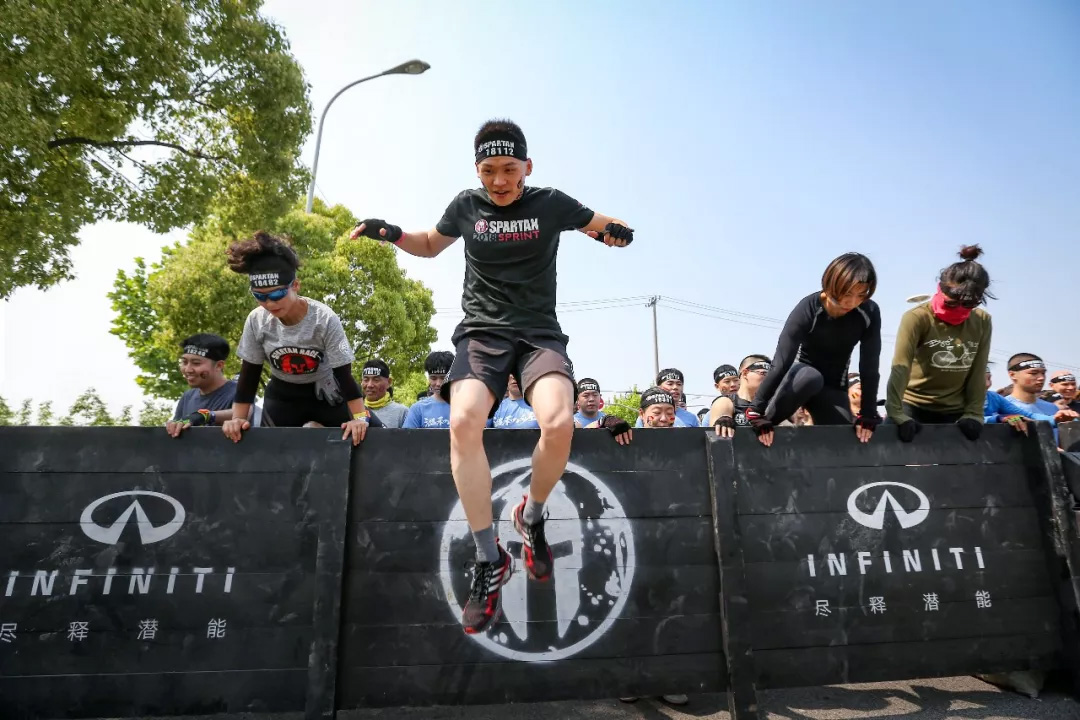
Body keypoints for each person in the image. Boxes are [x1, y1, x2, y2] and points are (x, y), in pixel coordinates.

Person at [351, 118, 635, 634]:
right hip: (482, 334)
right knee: (463, 421)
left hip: (539, 335)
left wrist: (615, 232)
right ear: (476, 170)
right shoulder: (467, 206)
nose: (499, 181)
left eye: (509, 169)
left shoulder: (551, 203)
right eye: (488, 171)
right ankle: (489, 557)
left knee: (558, 421)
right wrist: (389, 232)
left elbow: (601, 223)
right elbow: (428, 243)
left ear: (528, 167)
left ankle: (531, 515)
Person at [222, 231, 379, 446]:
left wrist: (360, 419)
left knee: (368, 435)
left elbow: (344, 375)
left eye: (277, 294)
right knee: (264, 447)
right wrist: (238, 419)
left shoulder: (323, 318)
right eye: (260, 296)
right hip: (283, 395)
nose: (269, 303)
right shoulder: (257, 320)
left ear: (295, 285)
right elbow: (250, 374)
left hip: (326, 392)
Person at [745, 253, 882, 449]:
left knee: (847, 440)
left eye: (860, 295)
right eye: (847, 293)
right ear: (831, 284)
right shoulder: (808, 308)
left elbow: (869, 365)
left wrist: (868, 411)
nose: (852, 302)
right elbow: (782, 360)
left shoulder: (869, 312)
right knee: (811, 377)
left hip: (833, 387)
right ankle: (759, 430)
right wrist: (756, 409)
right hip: (801, 380)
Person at [885, 246, 994, 443]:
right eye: (951, 303)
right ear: (940, 289)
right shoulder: (917, 317)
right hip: (913, 404)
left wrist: (974, 414)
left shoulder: (982, 321)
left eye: (966, 305)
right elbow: (901, 366)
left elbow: (978, 370)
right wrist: (896, 412)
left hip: (955, 410)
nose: (957, 310)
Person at [166, 334, 245, 437]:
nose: (188, 369)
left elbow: (245, 413)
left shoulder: (239, 391)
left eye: (196, 363)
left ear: (219, 365)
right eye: (184, 362)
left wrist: (205, 415)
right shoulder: (187, 397)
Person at [1005, 354, 1079, 443]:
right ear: (1012, 375)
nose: (1041, 378)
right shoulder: (1001, 408)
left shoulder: (1053, 408)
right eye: (1033, 373)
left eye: (1043, 373)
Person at [709, 354, 771, 429]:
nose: (769, 378)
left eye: (770, 375)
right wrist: (724, 420)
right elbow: (715, 431)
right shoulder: (726, 401)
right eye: (763, 373)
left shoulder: (772, 404)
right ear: (745, 373)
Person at [403, 351, 455, 429]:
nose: (438, 383)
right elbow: (407, 435)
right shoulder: (418, 409)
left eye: (443, 378)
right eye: (433, 378)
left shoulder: (466, 407)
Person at [361, 359, 409, 428]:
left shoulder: (402, 412)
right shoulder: (354, 411)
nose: (369, 385)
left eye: (376, 380)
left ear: (389, 382)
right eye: (366, 380)